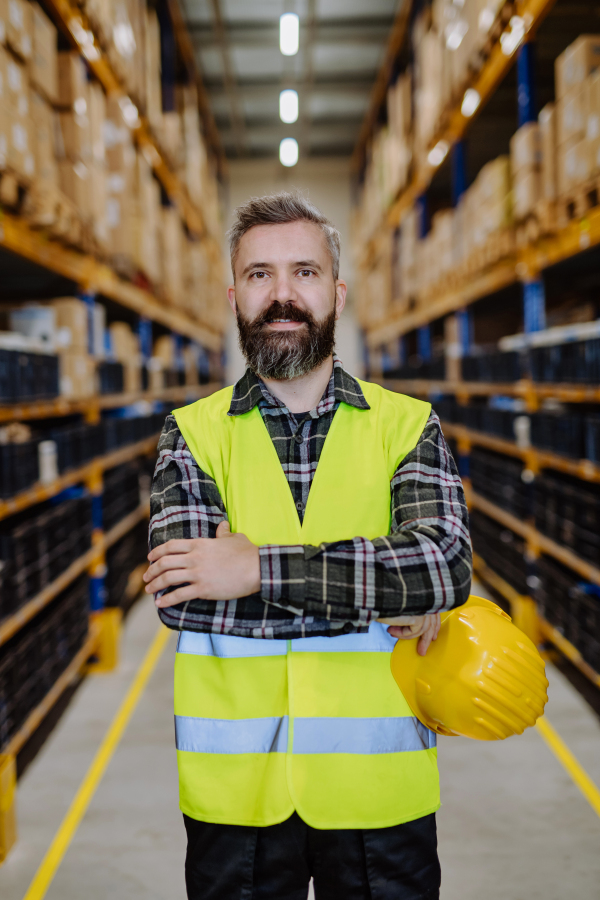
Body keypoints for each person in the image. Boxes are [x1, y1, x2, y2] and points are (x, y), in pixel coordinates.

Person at [144, 191, 472, 900]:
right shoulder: (191, 434)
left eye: (305, 272)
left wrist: (251, 568)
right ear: (234, 296)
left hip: (378, 789)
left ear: (337, 292)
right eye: (260, 275)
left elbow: (443, 565)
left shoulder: (406, 425)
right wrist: (381, 589)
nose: (282, 295)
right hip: (238, 797)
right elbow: (182, 599)